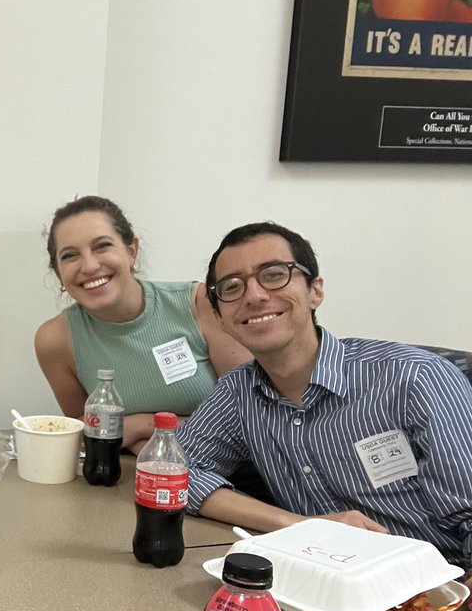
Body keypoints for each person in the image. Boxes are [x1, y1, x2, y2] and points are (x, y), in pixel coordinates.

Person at [178, 221, 472, 568]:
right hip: (330, 582)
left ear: (315, 290)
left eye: (274, 275)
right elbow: (173, 471)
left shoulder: (415, 377)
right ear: (221, 317)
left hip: (444, 588)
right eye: (232, 287)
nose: (254, 296)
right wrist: (300, 525)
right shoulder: (237, 394)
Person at [34, 195, 252, 451]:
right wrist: (144, 430)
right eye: (70, 256)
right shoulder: (55, 339)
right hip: (131, 476)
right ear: (59, 272)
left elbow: (248, 413)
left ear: (131, 251)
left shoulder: (199, 303)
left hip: (233, 469)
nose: (90, 265)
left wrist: (144, 429)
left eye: (102, 246)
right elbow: (86, 433)